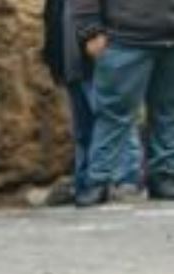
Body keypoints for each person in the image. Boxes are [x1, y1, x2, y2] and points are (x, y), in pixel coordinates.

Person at [72, 0, 174, 205]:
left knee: (168, 112)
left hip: (169, 41)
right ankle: (98, 181)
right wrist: (90, 30)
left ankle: (164, 177)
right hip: (123, 40)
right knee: (113, 114)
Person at [43, 0, 143, 204]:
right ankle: (86, 184)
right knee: (83, 131)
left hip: (98, 64)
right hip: (72, 67)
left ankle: (127, 182)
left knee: (115, 119)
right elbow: (54, 26)